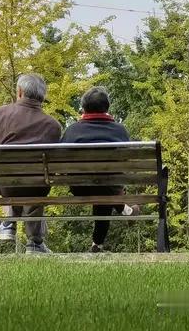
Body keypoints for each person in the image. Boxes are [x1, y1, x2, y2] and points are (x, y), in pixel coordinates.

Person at [0, 73, 62, 254]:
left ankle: (9, 224)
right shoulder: (53, 125)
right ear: (42, 96)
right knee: (35, 182)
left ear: (20, 92)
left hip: (6, 184)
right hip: (38, 186)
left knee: (13, 177)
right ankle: (35, 243)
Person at [61, 86, 140, 253]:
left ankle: (99, 242)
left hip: (79, 187)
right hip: (111, 186)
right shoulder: (120, 130)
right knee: (105, 187)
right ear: (107, 107)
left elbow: (60, 160)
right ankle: (123, 212)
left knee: (100, 186)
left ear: (83, 108)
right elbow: (126, 159)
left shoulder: (73, 130)